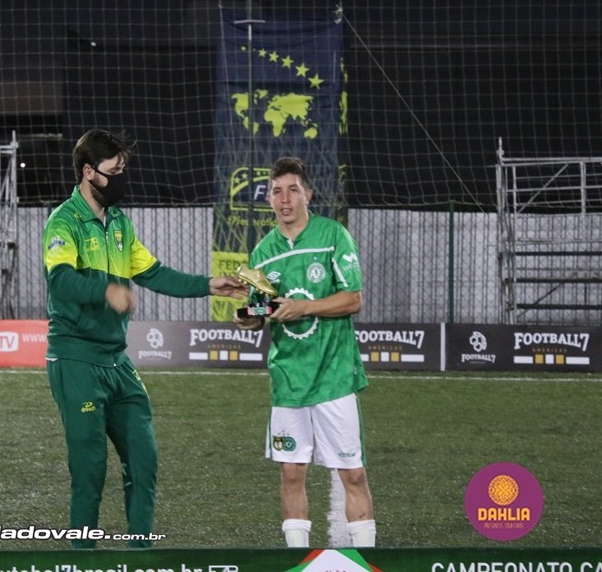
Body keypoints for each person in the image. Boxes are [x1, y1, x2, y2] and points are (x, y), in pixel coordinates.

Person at [42, 129, 246, 548]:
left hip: (117, 361)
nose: (120, 178)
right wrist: (106, 290)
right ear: (88, 172)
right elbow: (60, 280)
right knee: (90, 468)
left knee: (143, 456)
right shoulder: (64, 221)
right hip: (76, 359)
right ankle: (82, 557)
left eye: (123, 169)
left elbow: (154, 274)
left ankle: (140, 555)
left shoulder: (119, 223)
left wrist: (209, 285)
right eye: (113, 170)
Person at [234, 156, 376, 548]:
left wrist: (304, 308)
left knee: (353, 474)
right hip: (289, 381)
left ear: (307, 195)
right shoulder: (262, 253)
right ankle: (297, 562)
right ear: (268, 198)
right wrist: (248, 317)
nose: (284, 199)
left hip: (333, 377)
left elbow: (353, 299)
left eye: (292, 190)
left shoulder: (333, 235)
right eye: (276, 191)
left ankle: (365, 562)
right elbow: (262, 310)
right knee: (291, 474)